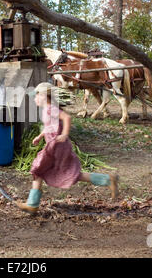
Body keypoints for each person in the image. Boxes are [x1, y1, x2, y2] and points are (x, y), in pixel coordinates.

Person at [15, 82, 119, 215]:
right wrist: (40, 136)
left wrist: (64, 134)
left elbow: (67, 117)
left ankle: (33, 204)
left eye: (36, 96)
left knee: (43, 170)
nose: (35, 99)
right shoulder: (47, 109)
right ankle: (32, 204)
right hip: (52, 146)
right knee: (44, 171)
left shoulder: (51, 108)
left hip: (58, 147)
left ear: (43, 96)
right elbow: (50, 127)